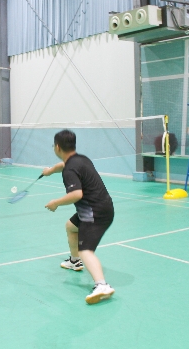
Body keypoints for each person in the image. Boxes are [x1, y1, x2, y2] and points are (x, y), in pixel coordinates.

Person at [42, 129, 115, 305]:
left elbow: (76, 194)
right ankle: (75, 262)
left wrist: (56, 203)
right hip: (102, 206)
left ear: (57, 147)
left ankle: (102, 285)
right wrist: (50, 171)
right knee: (71, 226)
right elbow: (63, 165)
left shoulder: (70, 170)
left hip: (94, 212)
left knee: (86, 250)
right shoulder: (81, 159)